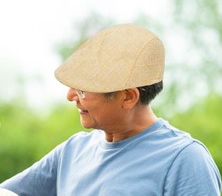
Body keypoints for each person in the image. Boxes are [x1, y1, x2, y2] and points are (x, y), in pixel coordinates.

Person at [0, 24, 221, 195]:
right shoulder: (72, 152)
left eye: (83, 90)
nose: (70, 96)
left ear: (128, 97)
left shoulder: (185, 160)